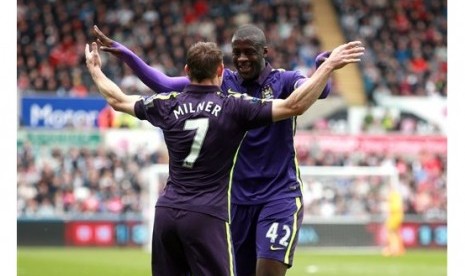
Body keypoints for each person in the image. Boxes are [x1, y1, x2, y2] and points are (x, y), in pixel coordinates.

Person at [93, 24, 353, 275]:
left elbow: (319, 92)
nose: (241, 58)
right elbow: (163, 83)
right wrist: (127, 55)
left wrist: (323, 69)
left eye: (249, 51)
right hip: (235, 200)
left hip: (279, 194)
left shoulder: (285, 80)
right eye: (236, 52)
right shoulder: (223, 85)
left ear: (265, 52)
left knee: (269, 270)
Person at [382, 183, 406, 257]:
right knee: (395, 233)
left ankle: (394, 249)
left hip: (395, 217)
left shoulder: (393, 196)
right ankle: (399, 249)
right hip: (397, 217)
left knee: (392, 232)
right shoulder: (396, 196)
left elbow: (396, 208)